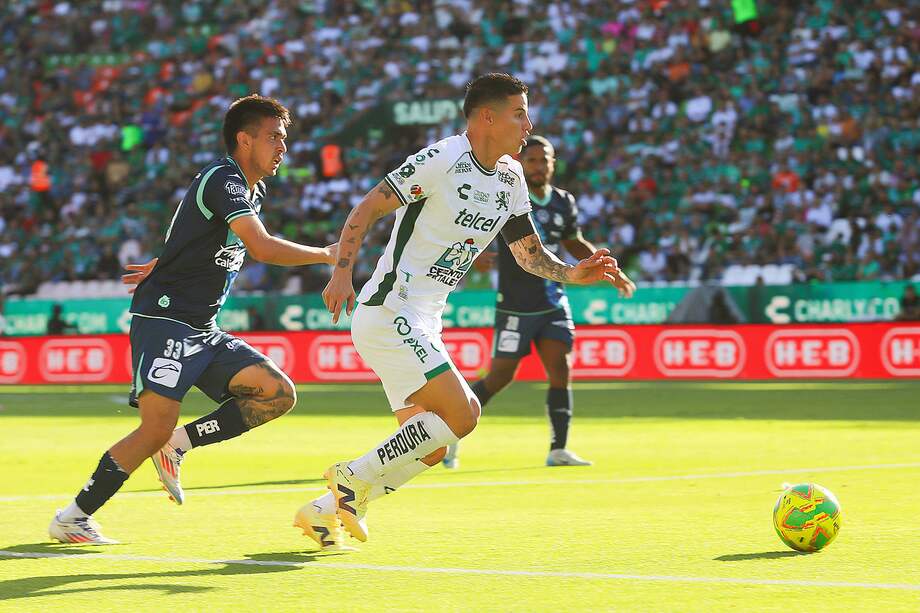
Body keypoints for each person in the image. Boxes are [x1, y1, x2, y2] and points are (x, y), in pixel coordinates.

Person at [299, 73, 633, 550]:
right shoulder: (443, 159)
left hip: (423, 320)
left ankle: (325, 509)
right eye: (519, 113)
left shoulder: (511, 177)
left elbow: (528, 253)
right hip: (391, 307)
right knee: (465, 413)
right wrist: (342, 272)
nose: (528, 123)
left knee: (429, 447)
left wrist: (572, 274)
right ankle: (353, 479)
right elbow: (366, 208)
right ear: (487, 118)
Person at [49, 95, 337, 545]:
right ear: (245, 140)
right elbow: (259, 248)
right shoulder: (223, 179)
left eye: (284, 139)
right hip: (166, 321)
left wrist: (166, 261)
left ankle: (179, 445)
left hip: (202, 327)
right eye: (274, 138)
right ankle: (72, 517)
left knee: (276, 393)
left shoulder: (248, 188)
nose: (283, 148)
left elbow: (192, 233)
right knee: (153, 427)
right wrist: (326, 254)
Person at [442, 135, 635, 470]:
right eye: (531, 160)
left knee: (561, 369)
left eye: (544, 160)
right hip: (515, 304)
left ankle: (558, 449)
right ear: (521, 163)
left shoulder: (563, 201)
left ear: (552, 163)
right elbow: (470, 230)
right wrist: (473, 256)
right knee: (500, 377)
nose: (538, 166)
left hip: (553, 299)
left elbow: (574, 242)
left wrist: (608, 269)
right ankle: (452, 433)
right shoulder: (508, 196)